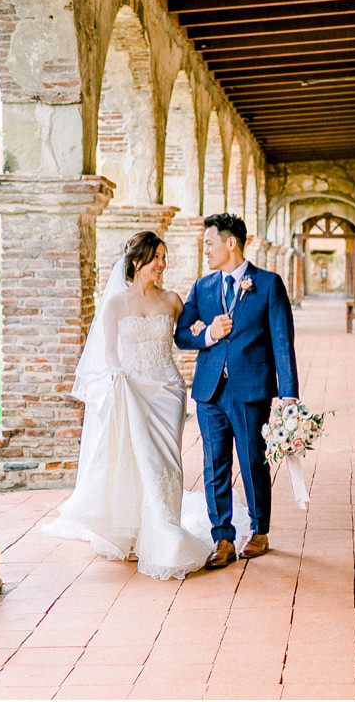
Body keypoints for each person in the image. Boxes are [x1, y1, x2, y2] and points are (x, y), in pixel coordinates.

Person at [42, 231, 247, 579]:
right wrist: (118, 374)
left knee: (167, 463)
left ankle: (166, 524)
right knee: (143, 463)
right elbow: (108, 353)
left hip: (168, 391)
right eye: (156, 258)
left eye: (165, 258)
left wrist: (208, 329)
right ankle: (148, 530)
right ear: (137, 262)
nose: (162, 265)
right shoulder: (115, 304)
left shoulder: (173, 300)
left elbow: (190, 333)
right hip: (134, 391)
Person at [175, 213, 300, 569]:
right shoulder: (203, 287)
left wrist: (288, 394)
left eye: (209, 244)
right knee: (213, 465)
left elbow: (282, 342)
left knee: (251, 462)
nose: (206, 251)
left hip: (251, 390)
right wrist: (209, 334)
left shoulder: (268, 284)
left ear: (231, 243)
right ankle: (223, 538)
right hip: (210, 391)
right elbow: (182, 334)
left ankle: (259, 530)